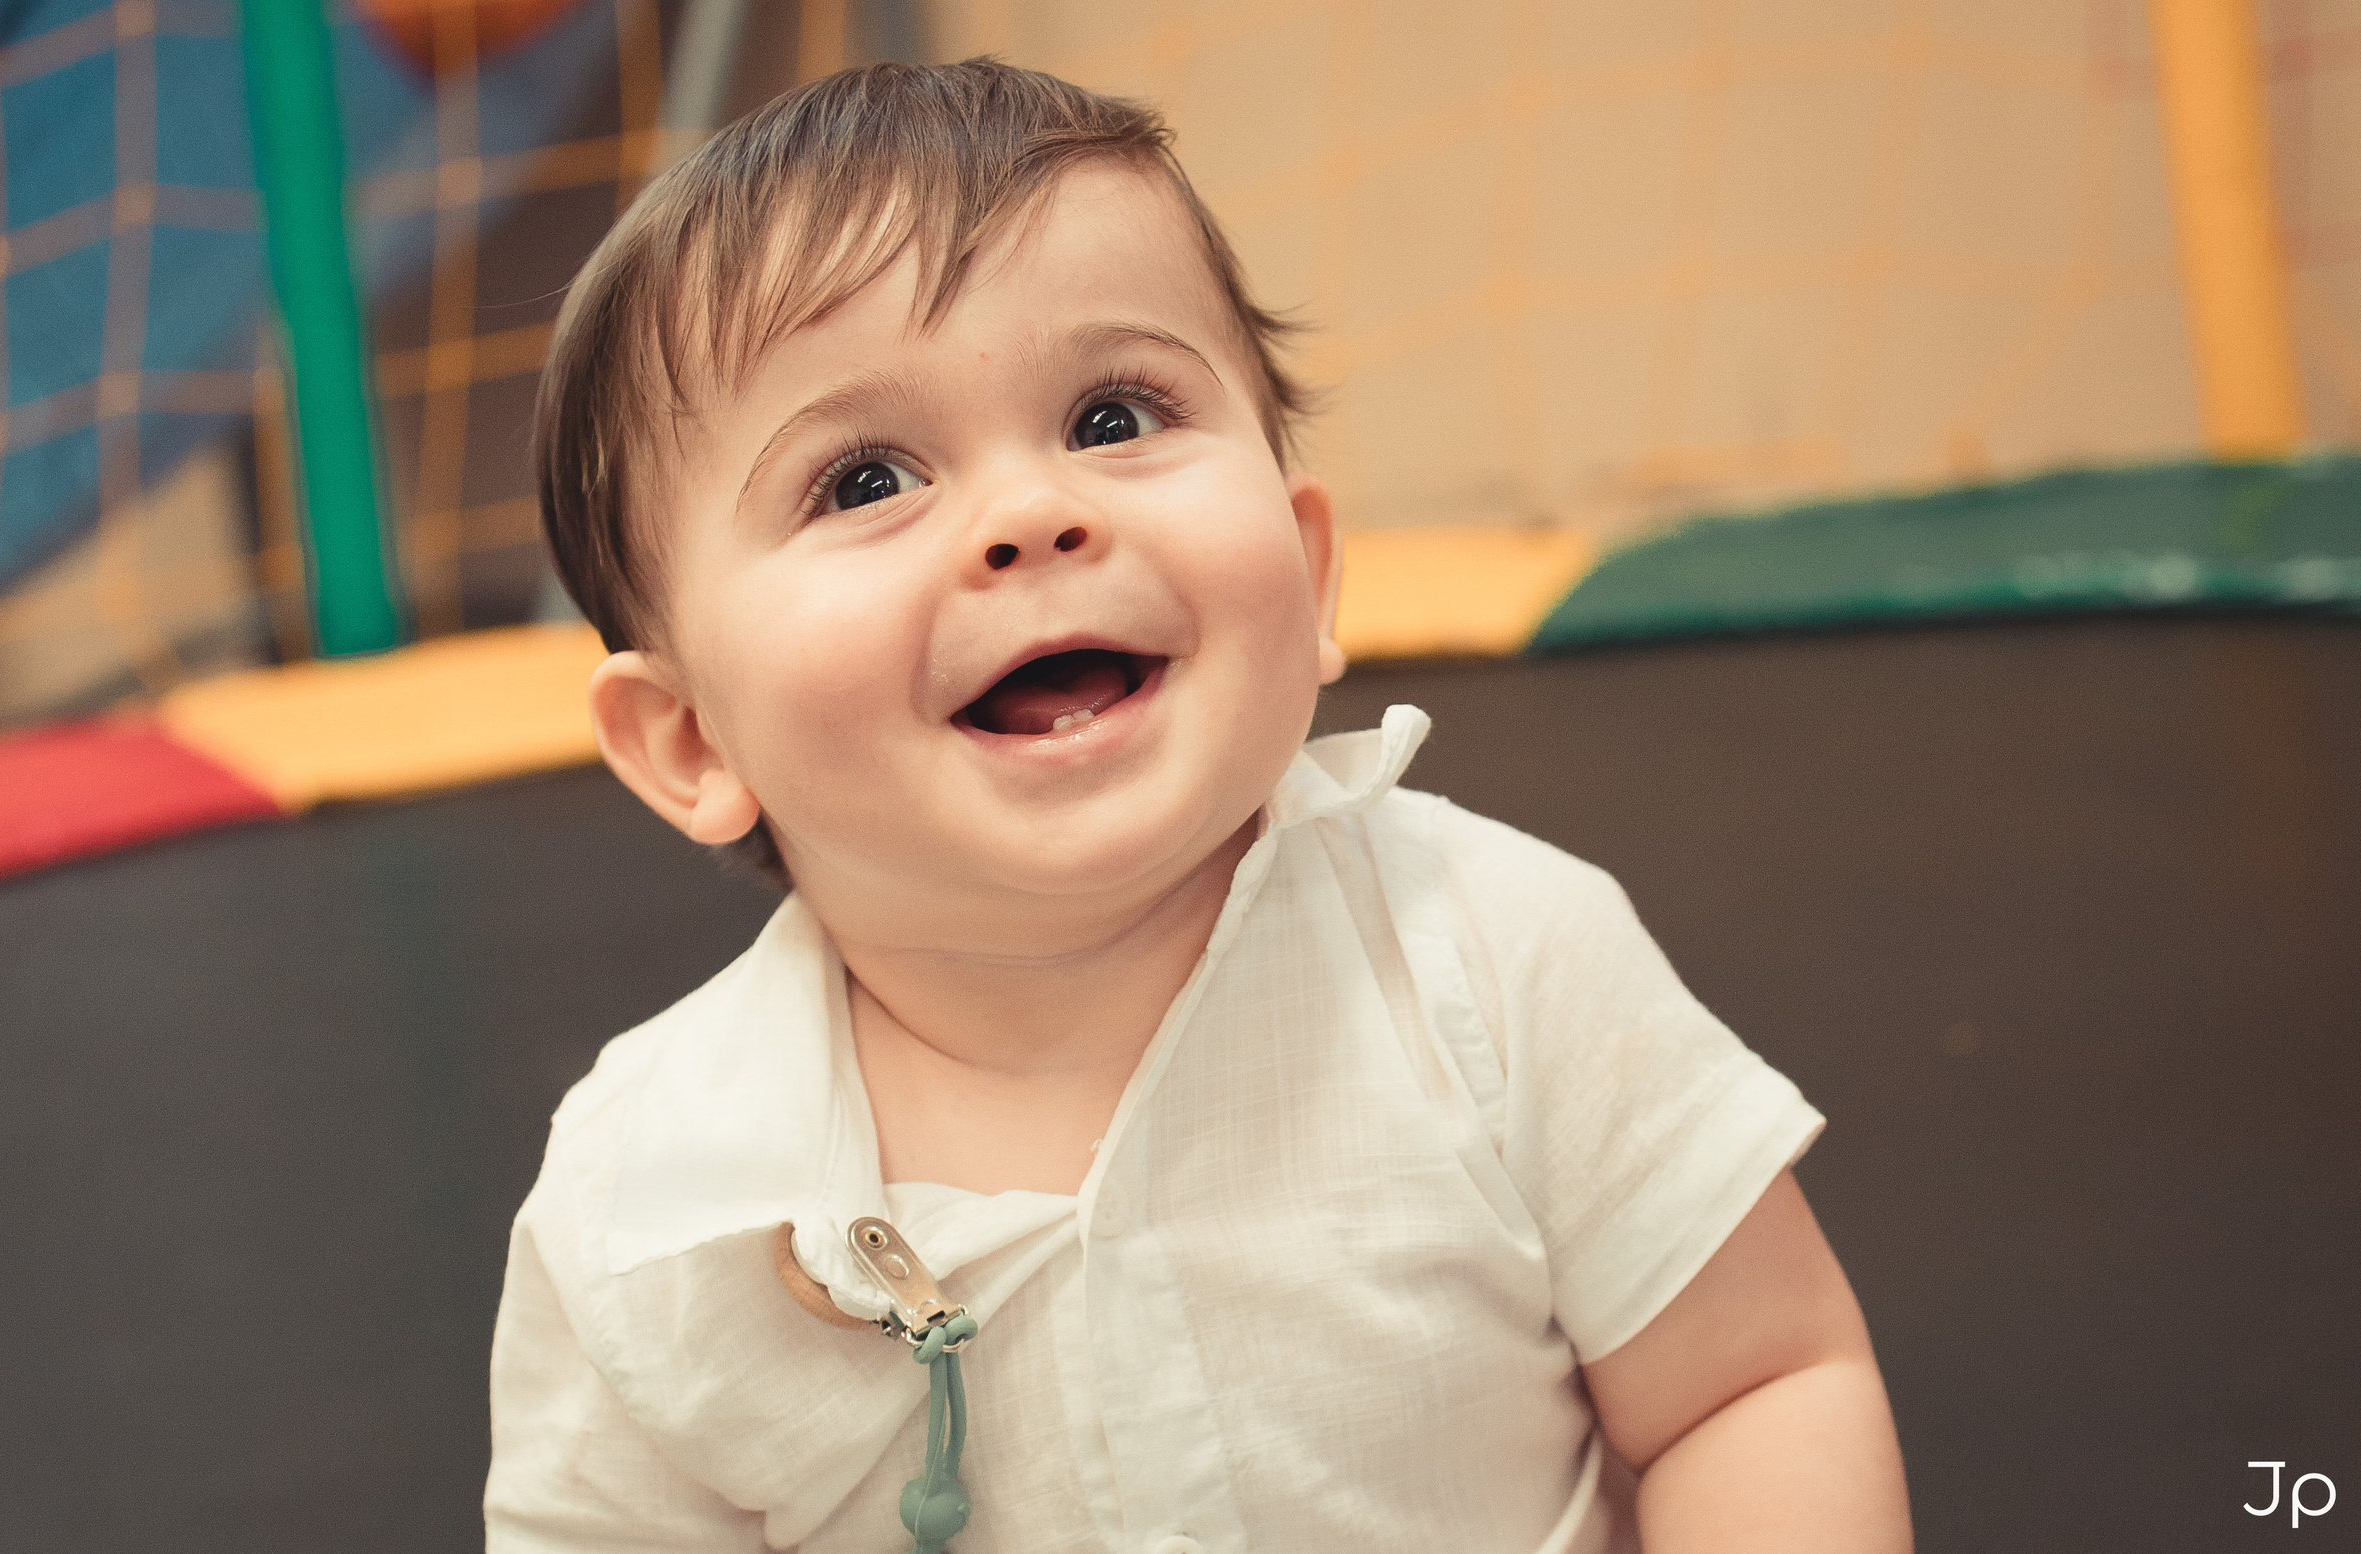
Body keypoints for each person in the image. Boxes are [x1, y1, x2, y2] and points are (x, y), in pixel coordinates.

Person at [487, 59, 1911, 1554]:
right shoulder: (648, 1203)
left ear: (1307, 573)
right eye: (863, 479)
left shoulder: (1494, 959)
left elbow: (1752, 1383)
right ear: (693, 741)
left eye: (1112, 415)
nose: (1037, 513)